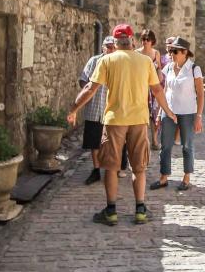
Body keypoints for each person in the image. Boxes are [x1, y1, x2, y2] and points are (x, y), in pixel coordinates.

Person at [67, 24, 177, 226]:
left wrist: (74, 109)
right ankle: (140, 210)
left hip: (114, 120)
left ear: (116, 43)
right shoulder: (145, 62)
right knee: (139, 168)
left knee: (110, 166)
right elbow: (157, 90)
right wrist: (168, 111)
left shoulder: (107, 60)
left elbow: (90, 88)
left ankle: (111, 211)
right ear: (132, 41)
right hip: (138, 120)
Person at [150, 37, 205, 192]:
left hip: (188, 113)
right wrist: (161, 112)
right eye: (170, 51)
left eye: (174, 51)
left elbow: (200, 94)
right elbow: (165, 90)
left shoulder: (194, 69)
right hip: (170, 112)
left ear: (184, 52)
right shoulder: (168, 67)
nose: (171, 53)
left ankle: (186, 178)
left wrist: (199, 117)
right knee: (165, 145)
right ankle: (164, 178)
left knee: (187, 146)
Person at [79, 35, 115, 185]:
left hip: (111, 110)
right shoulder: (94, 61)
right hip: (94, 108)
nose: (110, 49)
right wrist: (88, 89)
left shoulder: (118, 63)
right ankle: (96, 169)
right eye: (108, 46)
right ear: (103, 47)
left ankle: (111, 169)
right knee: (94, 143)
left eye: (113, 46)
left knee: (110, 142)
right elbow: (82, 79)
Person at [136, 29, 162, 150]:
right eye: (143, 39)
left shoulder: (156, 53)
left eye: (147, 39)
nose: (145, 42)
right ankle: (143, 140)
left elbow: (159, 69)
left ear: (152, 41)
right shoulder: (136, 53)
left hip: (152, 87)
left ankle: (155, 140)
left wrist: (159, 76)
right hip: (140, 87)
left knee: (154, 114)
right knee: (141, 113)